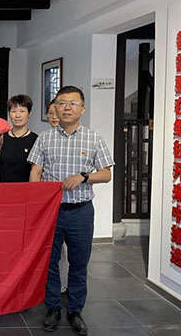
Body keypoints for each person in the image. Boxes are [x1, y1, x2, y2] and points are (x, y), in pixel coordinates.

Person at [27, 86, 113, 335]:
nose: (67, 108)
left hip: (81, 212)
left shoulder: (93, 138)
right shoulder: (45, 138)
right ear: (55, 107)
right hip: (51, 212)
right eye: (62, 103)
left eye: (73, 103)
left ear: (82, 109)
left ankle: (75, 311)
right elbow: (35, 171)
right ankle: (53, 308)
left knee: (79, 263)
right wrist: (35, 202)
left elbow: (106, 174)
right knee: (50, 261)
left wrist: (84, 177)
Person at [47, 97, 69, 295]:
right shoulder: (44, 139)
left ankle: (65, 284)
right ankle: (51, 289)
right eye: (51, 113)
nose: (54, 117)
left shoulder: (87, 138)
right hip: (48, 205)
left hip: (73, 204)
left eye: (57, 112)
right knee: (51, 249)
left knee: (68, 251)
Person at [0, 94, 37, 182]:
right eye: (13, 111)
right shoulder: (1, 139)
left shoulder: (36, 140)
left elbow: (37, 171)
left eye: (22, 111)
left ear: (29, 113)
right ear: (9, 114)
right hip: (3, 188)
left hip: (26, 189)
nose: (17, 115)